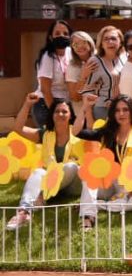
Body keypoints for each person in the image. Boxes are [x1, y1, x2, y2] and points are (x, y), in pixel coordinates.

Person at [6, 93, 87, 231]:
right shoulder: (45, 134)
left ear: (70, 115)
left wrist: (86, 107)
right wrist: (27, 104)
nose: (60, 114)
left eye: (64, 111)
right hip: (51, 180)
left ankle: (42, 195)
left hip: (72, 185)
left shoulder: (78, 132)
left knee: (71, 166)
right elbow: (18, 128)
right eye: (57, 111)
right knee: (38, 172)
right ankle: (24, 212)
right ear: (52, 115)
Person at [76, 94, 132, 231]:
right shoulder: (108, 131)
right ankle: (88, 216)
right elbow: (77, 132)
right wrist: (85, 107)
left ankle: (94, 204)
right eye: (117, 110)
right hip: (108, 181)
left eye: (125, 110)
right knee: (90, 175)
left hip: (128, 185)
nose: (121, 114)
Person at [32, 20, 72, 127]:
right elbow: (45, 90)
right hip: (47, 104)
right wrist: (54, 112)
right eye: (57, 33)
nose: (61, 36)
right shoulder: (47, 56)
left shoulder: (71, 53)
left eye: (65, 33)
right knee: (51, 136)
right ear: (50, 37)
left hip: (65, 103)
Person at [85, 25, 126, 120]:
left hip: (123, 108)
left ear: (120, 42)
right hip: (103, 108)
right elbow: (87, 89)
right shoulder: (94, 61)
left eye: (113, 38)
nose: (110, 42)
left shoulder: (126, 57)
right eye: (106, 39)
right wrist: (89, 116)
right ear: (101, 44)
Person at [65, 32, 96, 119]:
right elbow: (75, 97)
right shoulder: (72, 66)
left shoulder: (100, 59)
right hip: (82, 115)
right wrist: (83, 76)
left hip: (102, 110)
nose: (80, 46)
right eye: (75, 44)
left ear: (90, 43)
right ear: (72, 48)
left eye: (83, 42)